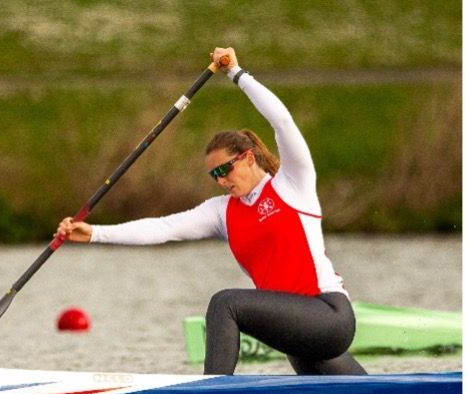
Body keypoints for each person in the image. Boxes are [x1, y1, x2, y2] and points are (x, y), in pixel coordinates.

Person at [55, 47, 366, 376]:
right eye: (214, 176)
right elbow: (163, 228)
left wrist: (236, 73)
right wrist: (94, 233)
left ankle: (213, 391)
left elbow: (282, 121)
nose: (221, 181)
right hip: (298, 337)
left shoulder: (292, 183)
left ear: (248, 157)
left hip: (328, 315)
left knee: (225, 303)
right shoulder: (222, 212)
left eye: (225, 170)